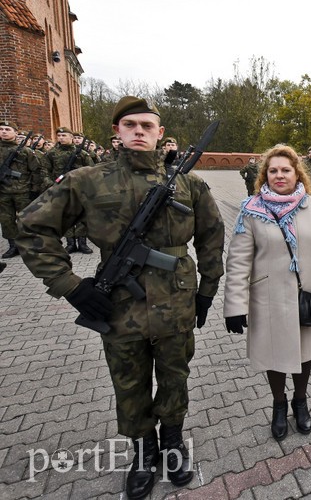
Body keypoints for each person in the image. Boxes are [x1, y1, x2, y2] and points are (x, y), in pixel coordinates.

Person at [16, 96, 225, 499]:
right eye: (130, 125)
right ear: (117, 132)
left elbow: (213, 239)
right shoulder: (88, 180)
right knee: (128, 383)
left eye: (147, 126)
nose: (139, 131)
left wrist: (207, 292)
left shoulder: (189, 183)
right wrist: (69, 285)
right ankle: (143, 453)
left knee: (174, 378)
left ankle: (174, 444)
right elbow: (30, 227)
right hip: (119, 305)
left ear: (160, 133)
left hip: (177, 302)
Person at [224, 145, 311, 440]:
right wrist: (234, 306)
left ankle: (300, 401)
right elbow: (239, 260)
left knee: (304, 354)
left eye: (286, 170)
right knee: (274, 355)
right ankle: (279, 405)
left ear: (297, 174)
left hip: (308, 296)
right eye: (273, 170)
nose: (279, 175)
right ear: (265, 175)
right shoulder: (251, 209)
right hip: (268, 299)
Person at [43, 126, 95, 254]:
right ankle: (70, 243)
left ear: (71, 138)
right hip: (61, 189)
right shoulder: (51, 153)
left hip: (79, 190)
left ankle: (82, 243)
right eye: (59, 136)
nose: (61, 138)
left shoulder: (82, 154)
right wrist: (51, 184)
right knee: (65, 215)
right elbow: (44, 171)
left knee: (82, 216)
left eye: (64, 135)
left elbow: (92, 172)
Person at [0, 120, 42, 259]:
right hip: (3, 192)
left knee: (27, 219)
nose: (4, 131)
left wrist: (34, 190)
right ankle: (13, 246)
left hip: (23, 191)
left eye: (7, 129)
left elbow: (36, 171)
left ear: (15, 133)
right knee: (6, 220)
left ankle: (30, 246)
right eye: (1, 129)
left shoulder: (26, 151)